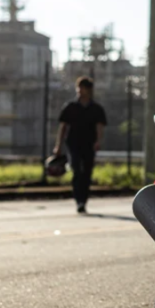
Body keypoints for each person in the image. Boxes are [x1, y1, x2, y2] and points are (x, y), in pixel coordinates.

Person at [54, 77, 107, 213]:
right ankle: (78, 200)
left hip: (89, 144)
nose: (79, 91)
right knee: (76, 169)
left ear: (88, 90)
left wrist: (98, 141)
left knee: (87, 172)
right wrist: (58, 145)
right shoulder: (70, 107)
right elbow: (63, 127)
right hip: (73, 143)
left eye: (82, 88)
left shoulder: (96, 109)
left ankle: (84, 199)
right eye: (78, 88)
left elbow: (99, 127)